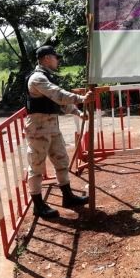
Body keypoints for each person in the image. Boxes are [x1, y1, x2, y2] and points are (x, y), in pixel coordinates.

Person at [26, 45, 93, 219]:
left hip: (52, 126)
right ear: (47, 58)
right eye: (56, 57)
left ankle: (68, 196)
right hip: (38, 128)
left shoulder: (47, 77)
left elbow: (58, 102)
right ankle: (38, 205)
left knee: (61, 160)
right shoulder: (37, 78)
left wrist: (78, 112)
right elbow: (57, 94)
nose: (58, 60)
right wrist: (80, 98)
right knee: (36, 166)